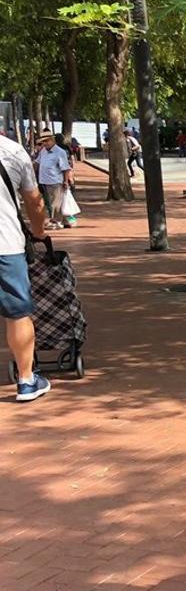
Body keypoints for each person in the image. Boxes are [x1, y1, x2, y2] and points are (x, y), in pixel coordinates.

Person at [0, 133, 52, 401]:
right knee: (17, 313)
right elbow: (34, 199)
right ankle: (26, 380)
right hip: (6, 245)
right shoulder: (12, 150)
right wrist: (39, 230)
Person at [33, 130, 73, 230]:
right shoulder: (43, 151)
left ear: (52, 140)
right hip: (44, 181)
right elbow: (37, 163)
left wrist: (65, 181)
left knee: (55, 203)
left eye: (46, 141)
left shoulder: (60, 152)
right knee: (52, 202)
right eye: (43, 142)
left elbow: (65, 168)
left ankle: (56, 221)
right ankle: (65, 220)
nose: (45, 144)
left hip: (56, 181)